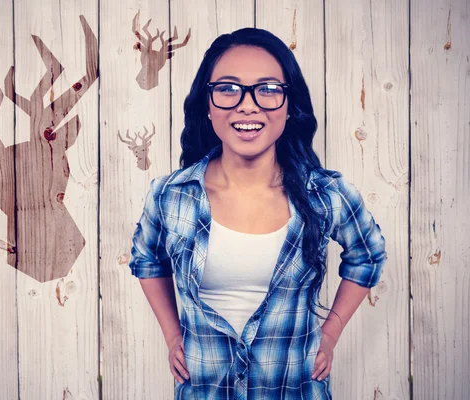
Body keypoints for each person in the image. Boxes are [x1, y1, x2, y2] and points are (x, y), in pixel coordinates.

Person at [128, 27, 387, 400]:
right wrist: (172, 336)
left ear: (288, 104)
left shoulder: (325, 195)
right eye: (228, 88)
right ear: (208, 103)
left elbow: (368, 255)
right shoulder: (170, 195)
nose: (247, 105)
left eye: (267, 89)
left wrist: (329, 335)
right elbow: (147, 260)